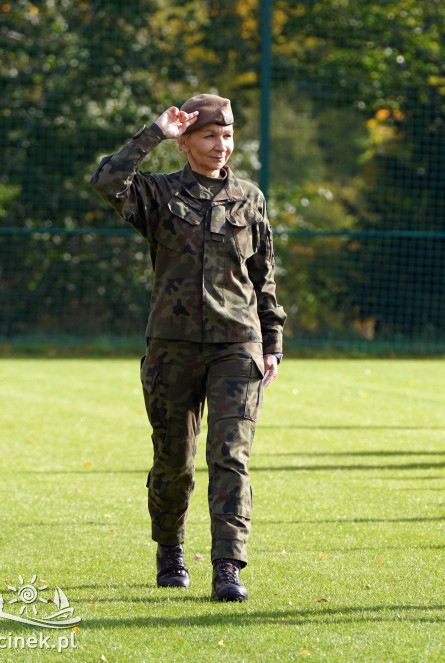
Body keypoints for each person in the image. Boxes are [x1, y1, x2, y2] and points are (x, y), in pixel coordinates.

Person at [90, 94, 286, 601]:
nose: (222, 145)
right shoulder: (156, 194)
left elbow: (263, 278)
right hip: (172, 349)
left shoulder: (250, 198)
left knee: (231, 457)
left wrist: (272, 342)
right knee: (174, 461)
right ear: (186, 141)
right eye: (209, 135)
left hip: (236, 345)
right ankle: (170, 549)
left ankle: (228, 566)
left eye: (228, 135)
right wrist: (152, 132)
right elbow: (108, 181)